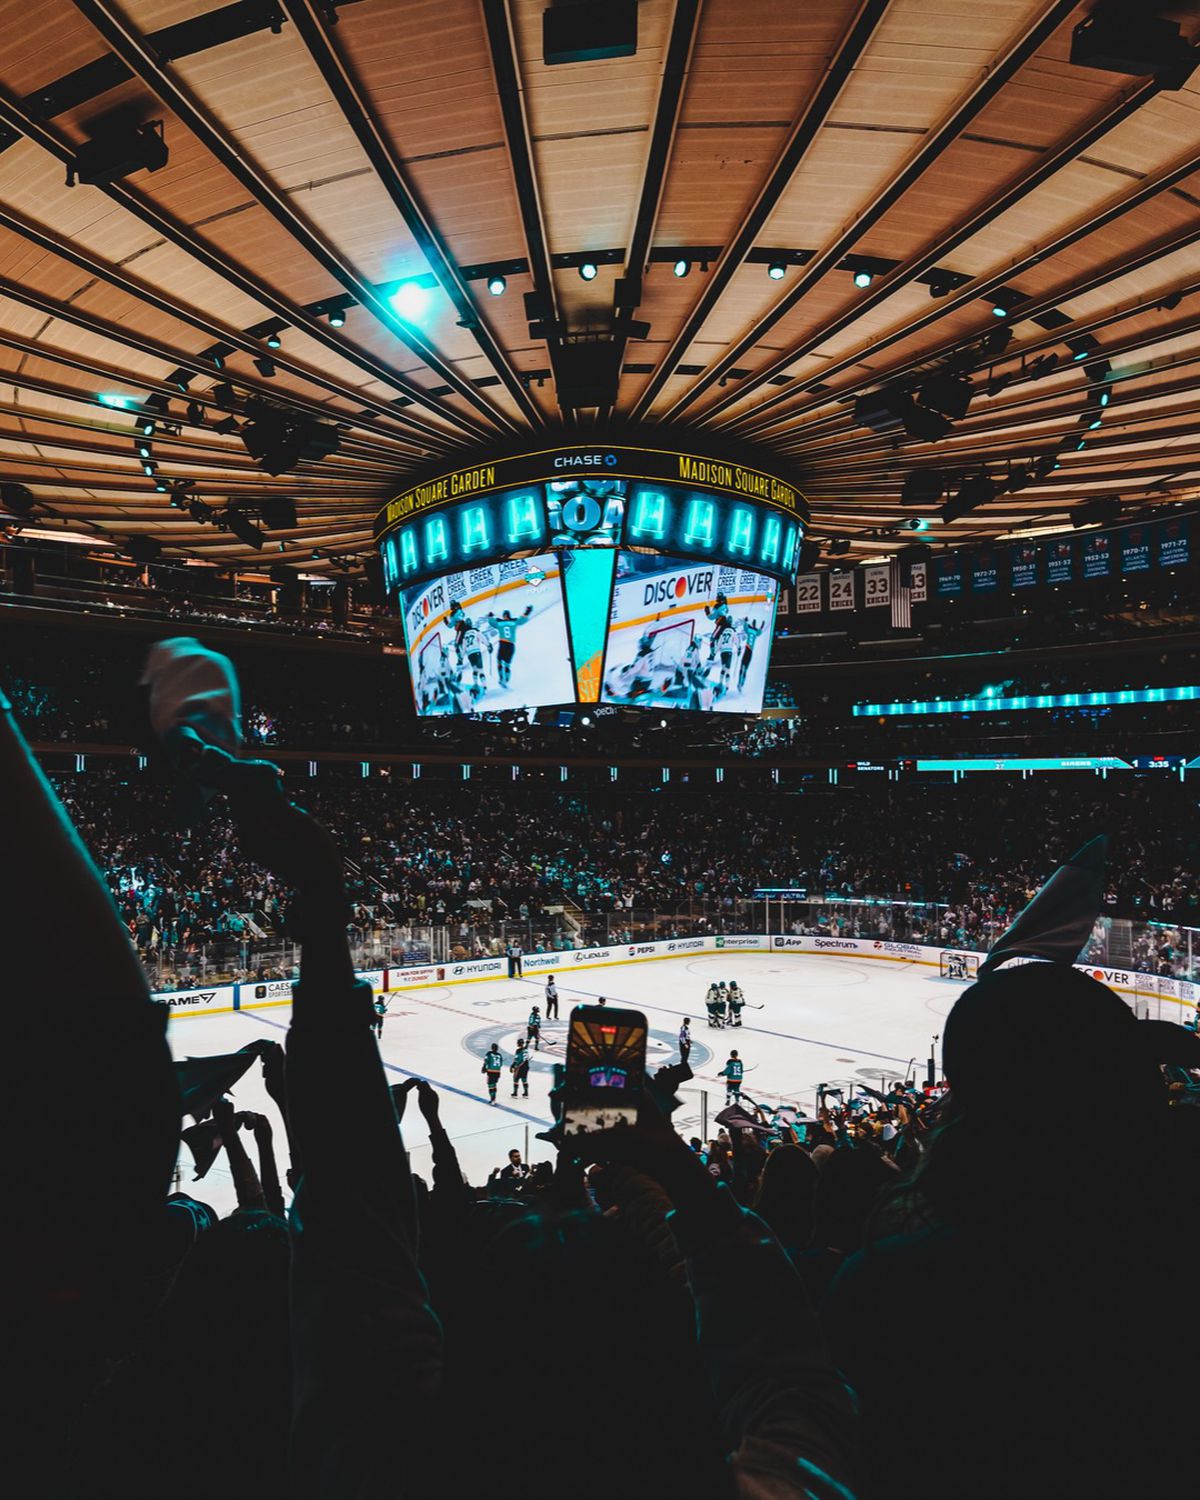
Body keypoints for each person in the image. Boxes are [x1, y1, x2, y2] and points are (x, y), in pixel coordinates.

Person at [485, 605, 534, 689]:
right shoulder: (514, 622)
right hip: (511, 645)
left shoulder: (499, 623)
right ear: (509, 616)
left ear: (504, 616)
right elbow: (522, 620)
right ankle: (506, 680)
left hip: (502, 644)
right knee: (507, 665)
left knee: (499, 662)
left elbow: (491, 622)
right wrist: (527, 612)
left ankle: (501, 679)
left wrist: (490, 616)